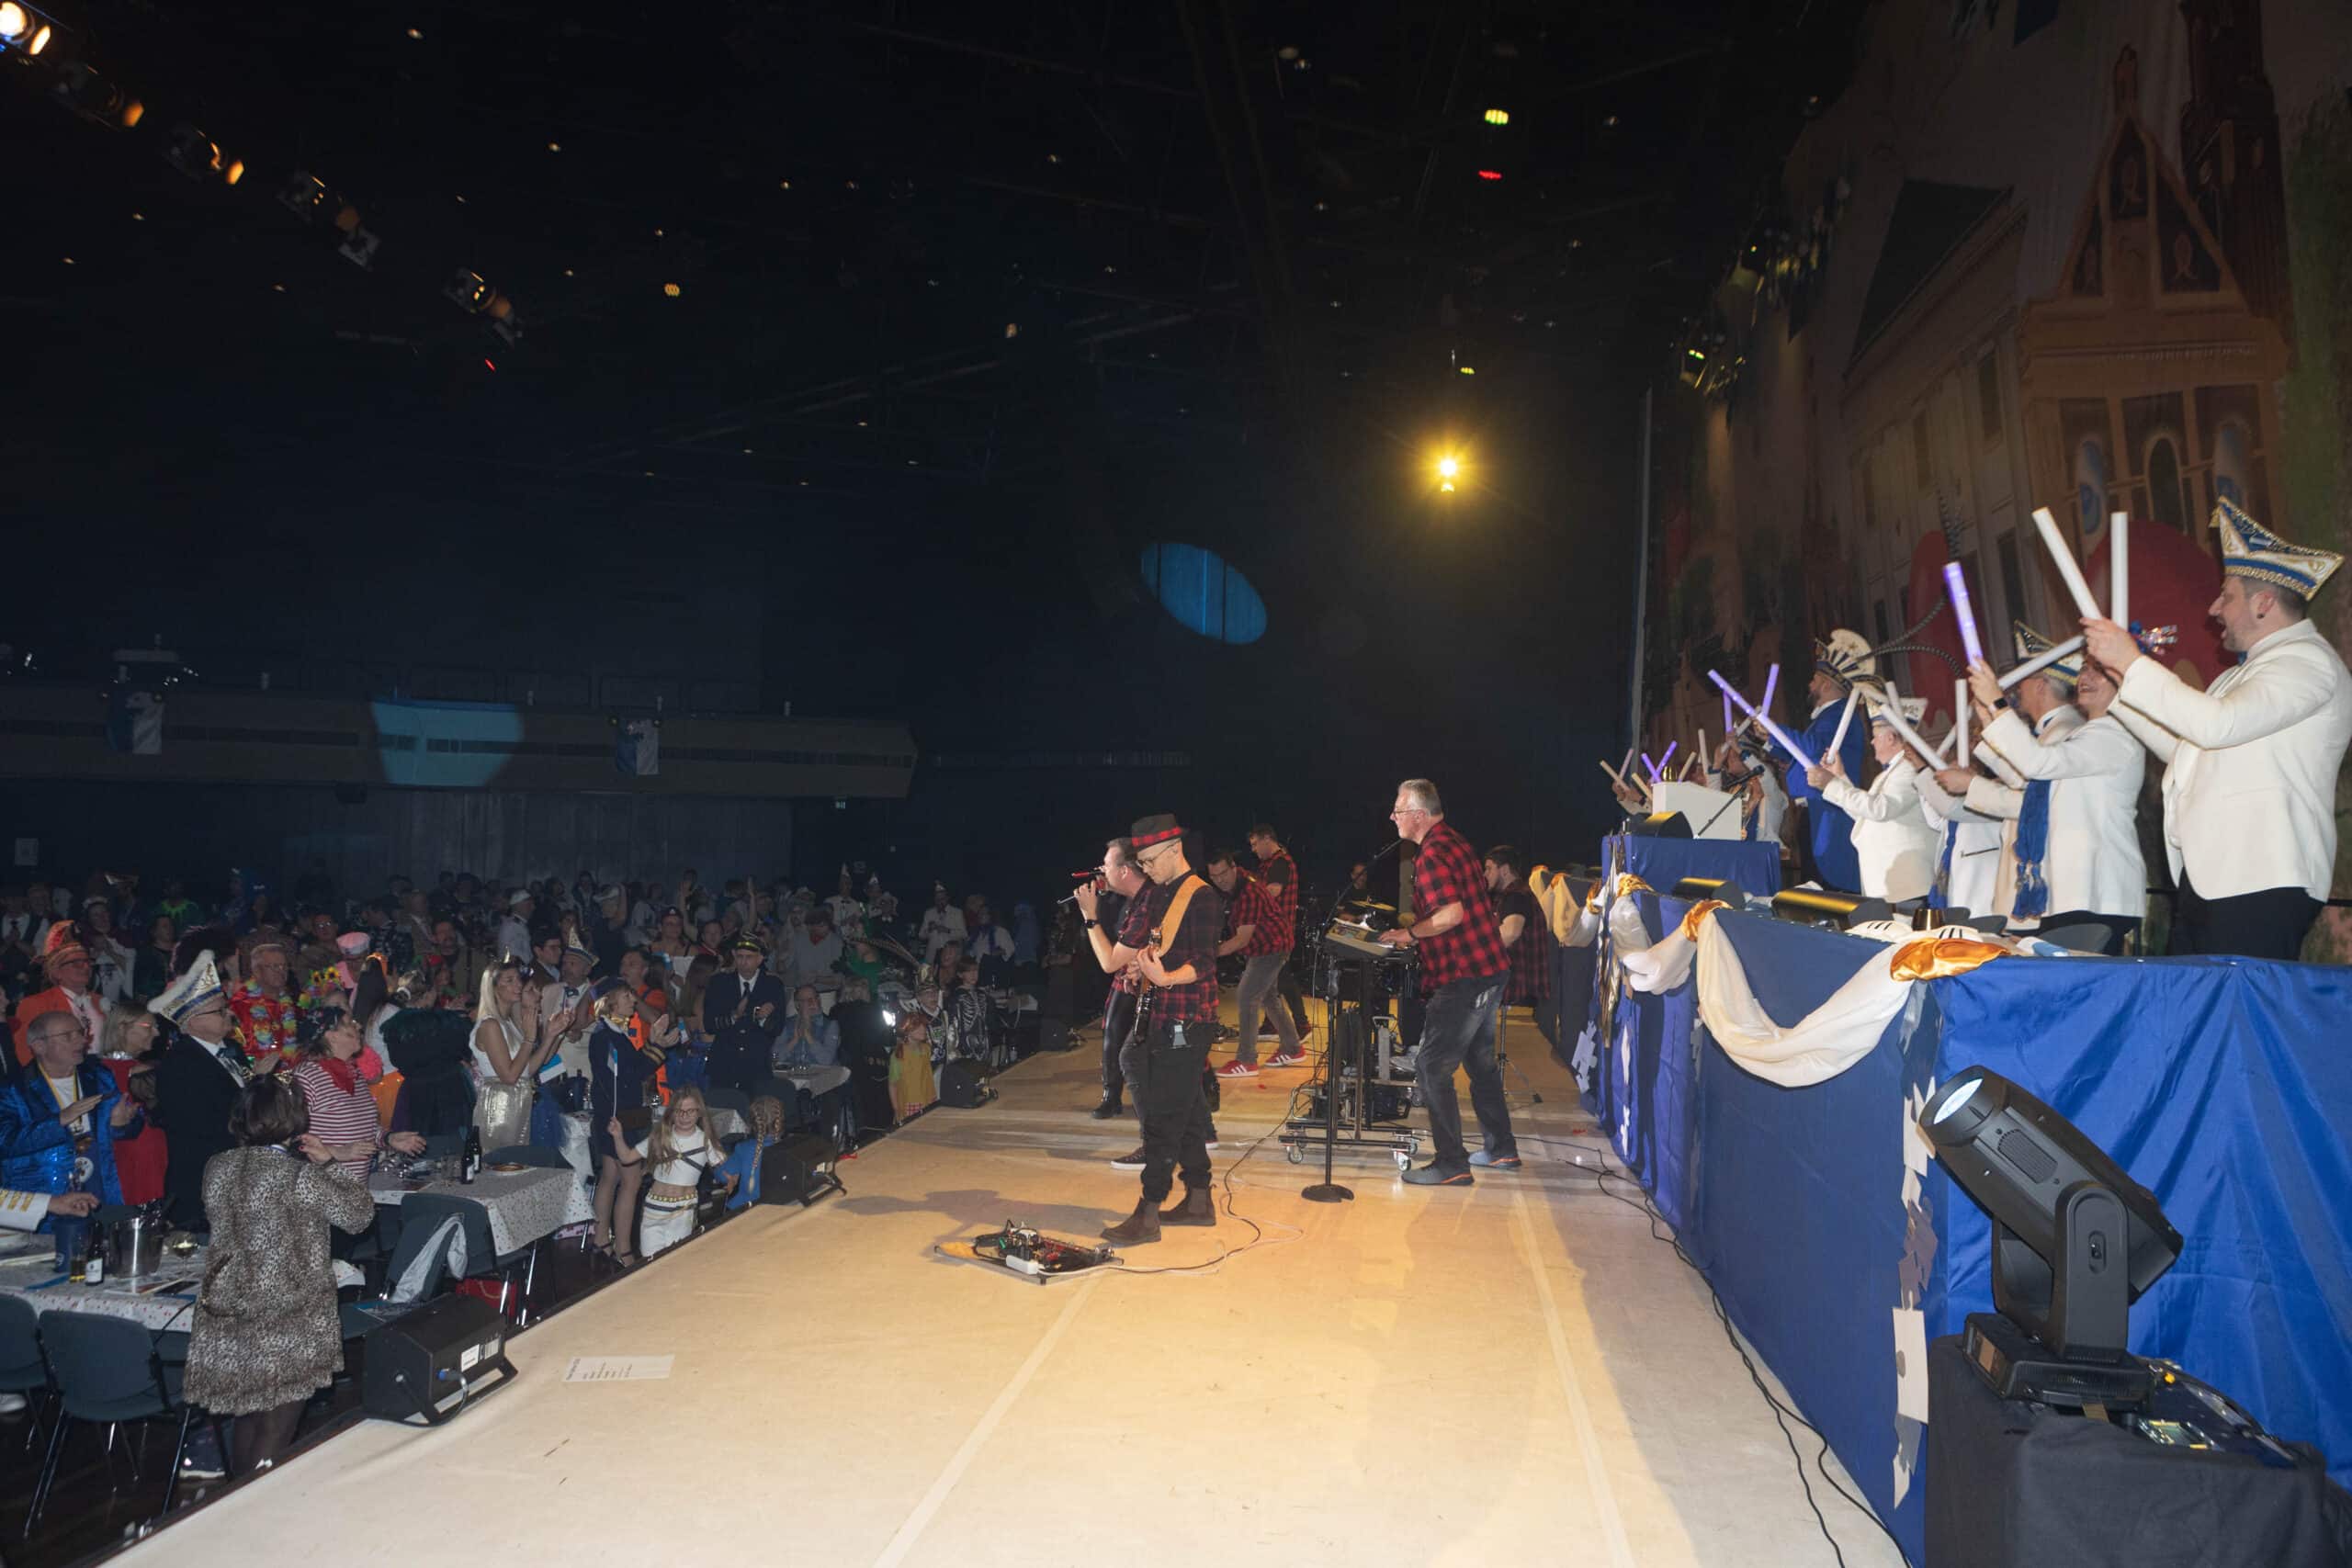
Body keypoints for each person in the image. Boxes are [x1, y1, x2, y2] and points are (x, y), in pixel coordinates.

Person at [2086, 500, 2352, 960]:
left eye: (2226, 596)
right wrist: (2120, 693)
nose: (2213, 608)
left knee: (2242, 1003)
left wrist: (2133, 663)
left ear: (2264, 603)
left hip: (2261, 875)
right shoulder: (2242, 675)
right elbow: (2187, 748)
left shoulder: (2308, 663)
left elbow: (2215, 725)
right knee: (2199, 1002)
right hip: (2217, 878)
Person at [183, 1075, 374, 1477]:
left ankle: (237, 1498)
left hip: (229, 1307)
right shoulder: (295, 1175)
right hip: (287, 1311)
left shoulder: (218, 1166)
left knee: (248, 1415)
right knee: (277, 1423)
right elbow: (358, 1215)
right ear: (294, 1120)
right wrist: (330, 1163)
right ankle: (257, 1502)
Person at [1940, 628, 2146, 953]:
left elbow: (2038, 765)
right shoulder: (2087, 734)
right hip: (2072, 889)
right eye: (2085, 669)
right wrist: (1991, 722)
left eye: (2100, 671)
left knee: (2083, 981)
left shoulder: (2114, 736)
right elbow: (2035, 786)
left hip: (2096, 888)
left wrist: (1998, 704)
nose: (2085, 677)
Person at [1377, 779, 1519, 1186]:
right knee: (1479, 1062)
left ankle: (1452, 1164)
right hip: (1488, 967)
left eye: (1398, 811)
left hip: (1464, 976)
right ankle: (1501, 1148)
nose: (1393, 817)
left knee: (1431, 1067)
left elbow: (1451, 915)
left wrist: (1409, 934)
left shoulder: (1432, 855)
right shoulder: (1454, 841)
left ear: (1418, 815)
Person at [1096, 813, 1222, 1244]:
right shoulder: (1161, 893)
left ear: (1173, 850)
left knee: (1164, 1121)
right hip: (1162, 1015)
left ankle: (1148, 1213)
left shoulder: (1200, 896)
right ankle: (1199, 1201)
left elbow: (1204, 962)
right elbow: (1159, 949)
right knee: (1186, 1114)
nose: (1145, 869)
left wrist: (1165, 977)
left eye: (1150, 860)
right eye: (1141, 862)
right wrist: (1143, 969)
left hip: (1188, 1019)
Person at [153, 953, 261, 1235]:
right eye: (220, 1011)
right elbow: (201, 1123)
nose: (230, 1015)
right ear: (192, 1022)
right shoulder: (179, 1064)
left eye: (226, 1008)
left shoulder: (232, 1049)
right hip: (205, 1177)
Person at [0, 1010, 142, 1221]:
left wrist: (120, 1125)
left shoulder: (98, 1076)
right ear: (39, 1046)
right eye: (68, 1036)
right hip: (46, 1201)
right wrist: (59, 1121)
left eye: (80, 1033)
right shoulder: (13, 1089)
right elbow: (6, 1143)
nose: (81, 1041)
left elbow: (130, 1127)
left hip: (99, 1192)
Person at [1810, 694, 1942, 903]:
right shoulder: (1888, 774)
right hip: (1892, 885)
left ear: (1890, 738)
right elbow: (1866, 815)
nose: (1871, 742)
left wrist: (1831, 784)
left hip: (1908, 885)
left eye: (1875, 736)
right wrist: (1839, 777)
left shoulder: (1909, 769)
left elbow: (1880, 810)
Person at [1774, 632, 1877, 892]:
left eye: (1815, 679)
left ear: (1827, 686)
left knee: (1826, 887)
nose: (1810, 684)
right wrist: (1771, 743)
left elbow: (1815, 747)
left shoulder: (1839, 715)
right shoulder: (1827, 717)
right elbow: (1807, 753)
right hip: (1815, 811)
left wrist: (1774, 730)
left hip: (1828, 811)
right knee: (1815, 885)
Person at [589, 977, 676, 1266]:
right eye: (628, 996)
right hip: (620, 1118)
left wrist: (655, 1045)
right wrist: (657, 1048)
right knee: (631, 1181)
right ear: (611, 1001)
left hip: (613, 1116)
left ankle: (601, 1240)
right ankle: (623, 1249)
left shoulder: (611, 1032)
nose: (634, 1001)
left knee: (610, 1177)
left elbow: (630, 1068)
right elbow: (629, 1077)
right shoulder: (605, 1036)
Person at [290, 1007, 426, 1182]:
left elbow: (363, 1128)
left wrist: (388, 1138)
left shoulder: (354, 1073)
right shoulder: (306, 1076)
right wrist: (337, 1152)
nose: (359, 1027)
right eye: (350, 1023)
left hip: (353, 1188)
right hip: (318, 1189)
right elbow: (289, 1138)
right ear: (331, 1035)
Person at [1208, 849, 1304, 1077]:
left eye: (1223, 873)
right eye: (1214, 876)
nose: (1220, 880)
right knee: (1269, 998)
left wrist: (1209, 953)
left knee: (1247, 996)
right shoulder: (1240, 881)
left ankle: (1247, 1060)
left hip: (1271, 948)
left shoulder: (1247, 893)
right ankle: (1293, 1048)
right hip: (1269, 945)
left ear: (1233, 868)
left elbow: (1241, 939)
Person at [1075, 837, 1150, 1120]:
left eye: (1107, 865)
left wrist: (1089, 915)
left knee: (1169, 1041)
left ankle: (1203, 1088)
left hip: (1157, 980)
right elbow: (1113, 942)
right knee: (1113, 1031)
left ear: (1125, 870)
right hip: (1130, 974)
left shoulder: (1149, 901)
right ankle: (1111, 1095)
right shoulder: (1130, 899)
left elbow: (1108, 961)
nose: (1101, 870)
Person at [609, 1083, 722, 1258]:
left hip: (683, 1211)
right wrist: (618, 1137)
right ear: (671, 1113)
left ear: (699, 1112)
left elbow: (726, 1168)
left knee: (675, 1259)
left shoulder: (705, 1141)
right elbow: (627, 1158)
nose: (684, 1116)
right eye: (679, 1111)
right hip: (654, 1209)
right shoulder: (659, 1137)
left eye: (690, 1111)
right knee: (650, 1259)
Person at [1244, 824, 1313, 1043]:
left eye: (1255, 844)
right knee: (1272, 980)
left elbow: (1273, 891)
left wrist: (1250, 895)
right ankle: (1272, 1023)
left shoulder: (1280, 862)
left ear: (1267, 839)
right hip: (1271, 931)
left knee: (1282, 978)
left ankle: (1302, 1024)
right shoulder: (1270, 863)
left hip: (1278, 933)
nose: (1253, 849)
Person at [11, 923, 112, 1069]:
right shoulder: (35, 1004)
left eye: (87, 961)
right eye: (75, 963)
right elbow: (25, 1052)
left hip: (101, 1074)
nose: (85, 967)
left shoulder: (101, 1001)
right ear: (57, 972)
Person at [1483, 844, 1555, 1048]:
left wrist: (1478, 951)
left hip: (1516, 991)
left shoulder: (1515, 896)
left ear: (1504, 870)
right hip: (1518, 989)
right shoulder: (1515, 895)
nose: (1485, 874)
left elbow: (1511, 932)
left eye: (1489, 868)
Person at [697, 932, 786, 1096]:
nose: (743, 962)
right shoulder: (719, 983)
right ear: (733, 955)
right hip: (724, 1065)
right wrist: (733, 1016)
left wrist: (762, 1019)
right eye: (739, 956)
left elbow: (777, 1028)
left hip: (756, 1066)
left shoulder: (773, 985)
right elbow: (709, 1025)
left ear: (760, 959)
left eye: (749, 957)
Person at [97, 1005, 168, 1205]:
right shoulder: (103, 1072)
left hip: (136, 1150)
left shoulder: (98, 1070)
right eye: (148, 1027)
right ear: (122, 1028)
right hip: (138, 1151)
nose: (156, 1033)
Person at [719, 1094, 787, 1209]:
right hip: (780, 1206)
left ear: (751, 1125)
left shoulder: (744, 1149)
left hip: (746, 1208)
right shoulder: (789, 1147)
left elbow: (723, 1176)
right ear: (780, 1121)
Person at [781, 908, 845, 999]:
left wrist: (817, 979)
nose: (825, 929)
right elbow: (783, 968)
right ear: (810, 926)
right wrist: (780, 961)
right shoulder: (798, 939)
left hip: (827, 994)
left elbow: (840, 979)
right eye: (820, 926)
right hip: (801, 992)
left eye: (825, 925)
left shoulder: (837, 943)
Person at [888, 1014, 937, 1123]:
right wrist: (896, 1109)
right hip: (910, 1105)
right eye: (918, 1027)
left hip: (929, 1100)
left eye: (923, 1026)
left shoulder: (927, 1049)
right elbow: (892, 1085)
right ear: (907, 1030)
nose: (923, 1029)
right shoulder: (899, 1055)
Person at [918, 885, 966, 963]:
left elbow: (964, 934)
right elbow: (921, 935)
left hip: (950, 956)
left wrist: (947, 930)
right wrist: (929, 930)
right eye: (937, 899)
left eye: (942, 899)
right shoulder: (929, 913)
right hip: (931, 956)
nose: (939, 901)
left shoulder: (957, 912)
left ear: (947, 898)